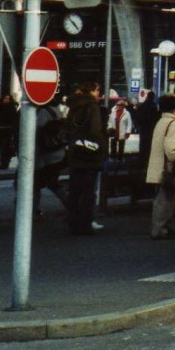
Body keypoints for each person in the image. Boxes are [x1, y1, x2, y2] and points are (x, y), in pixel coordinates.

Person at [65, 82, 106, 235]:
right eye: (97, 91)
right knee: (89, 190)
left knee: (75, 189)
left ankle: (72, 220)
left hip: (76, 151)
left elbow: (68, 128)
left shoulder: (73, 105)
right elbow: (95, 130)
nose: (98, 94)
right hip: (90, 154)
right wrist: (102, 145)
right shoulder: (93, 106)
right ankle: (85, 223)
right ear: (92, 91)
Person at [145, 94, 175, 240]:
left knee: (161, 198)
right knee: (166, 199)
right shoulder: (173, 124)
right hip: (167, 168)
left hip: (158, 165)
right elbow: (172, 150)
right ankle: (160, 228)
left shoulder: (161, 121)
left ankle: (161, 227)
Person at [34, 100, 69, 215]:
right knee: (51, 182)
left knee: (37, 183)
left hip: (45, 156)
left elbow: (38, 133)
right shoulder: (56, 111)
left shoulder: (43, 113)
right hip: (58, 152)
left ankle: (33, 209)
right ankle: (71, 205)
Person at [0, 93, 19, 170]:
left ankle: (4, 163)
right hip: (0, 131)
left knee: (6, 148)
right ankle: (3, 162)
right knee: (1, 146)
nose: (6, 100)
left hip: (8, 131)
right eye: (5, 98)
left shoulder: (11, 108)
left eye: (8, 99)